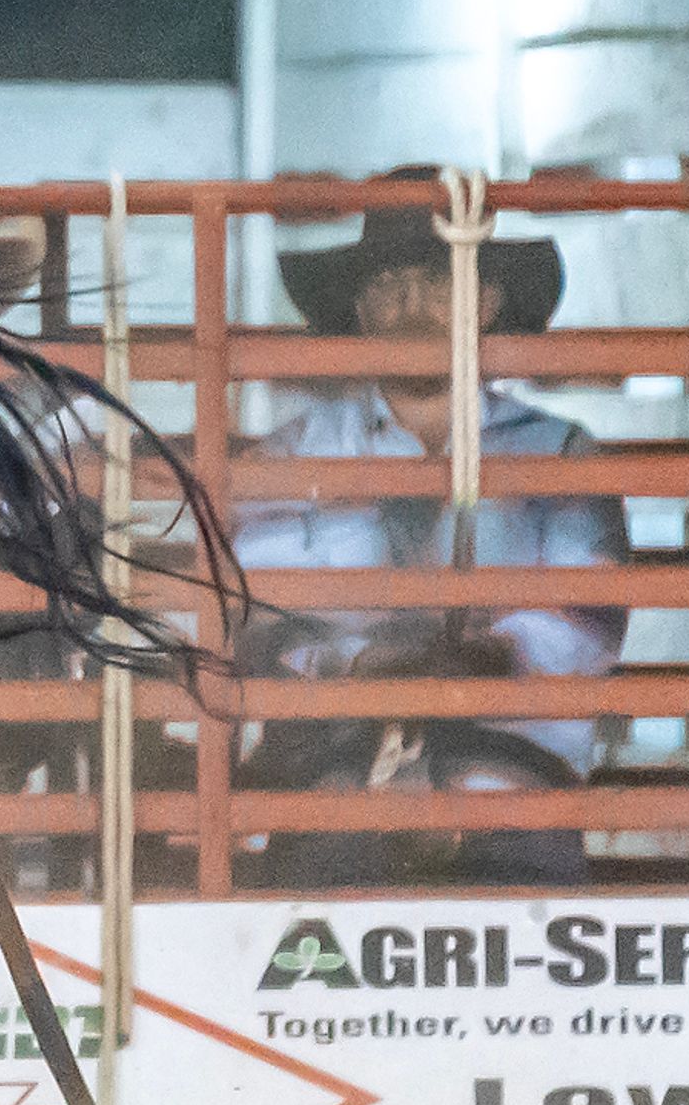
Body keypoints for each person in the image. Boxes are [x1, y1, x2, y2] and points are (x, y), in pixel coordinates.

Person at [234, 183, 629, 874]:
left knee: (519, 848)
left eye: (439, 280)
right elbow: (263, 616)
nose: (413, 306)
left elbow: (584, 622)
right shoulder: (291, 454)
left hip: (511, 765)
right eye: (389, 283)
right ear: (359, 308)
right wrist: (359, 667)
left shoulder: (562, 452)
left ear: (487, 301)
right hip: (338, 759)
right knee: (326, 848)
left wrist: (475, 665)